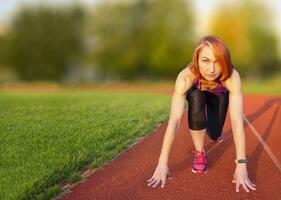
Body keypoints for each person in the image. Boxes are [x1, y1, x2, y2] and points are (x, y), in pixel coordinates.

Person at [146, 35, 256, 193]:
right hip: (198, 93)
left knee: (215, 132)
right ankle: (200, 152)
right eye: (205, 61)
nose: (211, 69)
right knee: (196, 97)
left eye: (217, 62)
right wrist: (162, 163)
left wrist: (241, 164)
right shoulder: (185, 77)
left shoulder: (231, 77)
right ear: (196, 60)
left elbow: (237, 122)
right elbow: (175, 120)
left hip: (219, 95)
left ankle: (216, 134)